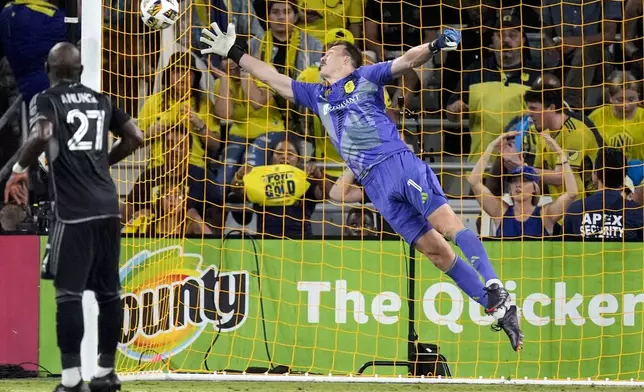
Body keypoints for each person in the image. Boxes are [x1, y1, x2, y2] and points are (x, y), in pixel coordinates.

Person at [200, 22, 523, 351]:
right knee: (437, 253)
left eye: (329, 53)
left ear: (346, 61)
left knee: (448, 226)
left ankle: (495, 284)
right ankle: (498, 307)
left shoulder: (365, 78)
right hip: (375, 185)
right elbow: (272, 78)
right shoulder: (318, 95)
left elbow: (407, 61)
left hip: (397, 163)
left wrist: (435, 45)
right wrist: (234, 53)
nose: (322, 56)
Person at [3, 42, 143, 392]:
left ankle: (70, 380)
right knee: (109, 294)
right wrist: (103, 164)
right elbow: (135, 137)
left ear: (50, 71)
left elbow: (43, 133)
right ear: (80, 71)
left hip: (74, 212)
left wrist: (18, 168)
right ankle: (106, 374)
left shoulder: (46, 99)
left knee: (68, 295)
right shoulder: (102, 99)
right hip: (109, 209)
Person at [469, 132, 578, 238]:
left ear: (535, 188)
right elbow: (474, 182)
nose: (518, 185)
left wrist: (561, 155)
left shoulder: (545, 214)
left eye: (524, 181)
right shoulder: (500, 211)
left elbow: (572, 194)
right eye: (514, 181)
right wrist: (491, 146)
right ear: (510, 189)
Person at [564, 147, 644, 240]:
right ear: (624, 176)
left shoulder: (576, 210)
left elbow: (564, 250)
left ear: (595, 173)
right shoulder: (637, 213)